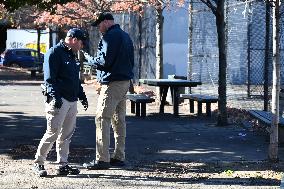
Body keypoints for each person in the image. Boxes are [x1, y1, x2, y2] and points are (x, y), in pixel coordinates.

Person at [33, 28, 89, 177]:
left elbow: (74, 79)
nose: (82, 46)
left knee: (66, 135)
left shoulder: (72, 54)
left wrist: (82, 95)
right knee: (52, 132)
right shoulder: (54, 52)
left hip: (72, 100)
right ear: (74, 40)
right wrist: (55, 97)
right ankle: (38, 163)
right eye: (82, 43)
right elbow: (49, 79)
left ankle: (62, 165)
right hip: (59, 100)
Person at [83, 12, 134, 170]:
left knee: (101, 118)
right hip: (124, 82)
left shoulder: (109, 37)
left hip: (112, 83)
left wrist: (89, 59)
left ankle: (102, 159)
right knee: (119, 120)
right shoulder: (125, 36)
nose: (98, 28)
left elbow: (104, 61)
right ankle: (119, 156)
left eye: (99, 24)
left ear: (106, 22)